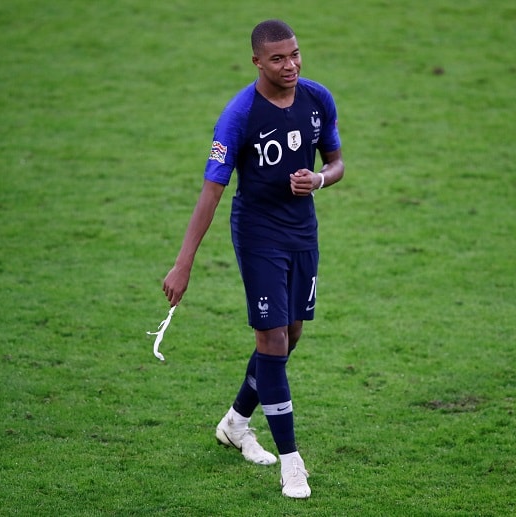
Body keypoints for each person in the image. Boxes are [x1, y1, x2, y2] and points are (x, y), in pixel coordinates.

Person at [162, 19, 344, 499]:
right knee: (272, 338)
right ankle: (292, 463)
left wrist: (319, 180)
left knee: (291, 334)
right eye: (278, 58)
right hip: (258, 235)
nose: (291, 65)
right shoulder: (238, 115)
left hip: (302, 233)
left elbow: (337, 162)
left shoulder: (317, 99)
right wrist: (184, 263)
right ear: (257, 62)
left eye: (295, 54)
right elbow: (211, 191)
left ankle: (236, 422)